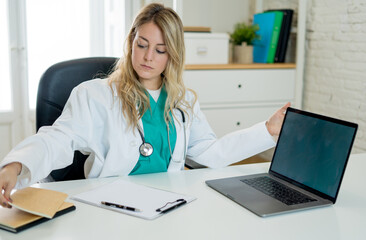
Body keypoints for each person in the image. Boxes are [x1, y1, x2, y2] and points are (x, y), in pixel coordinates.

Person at [0, 3, 290, 208]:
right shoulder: (96, 96)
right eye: (142, 44)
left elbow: (209, 153)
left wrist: (267, 130)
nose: (148, 56)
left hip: (168, 205)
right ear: (130, 42)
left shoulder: (183, 102)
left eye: (160, 50)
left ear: (172, 55)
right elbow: (57, 139)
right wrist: (16, 164)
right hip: (108, 206)